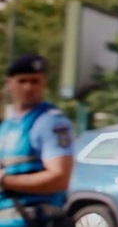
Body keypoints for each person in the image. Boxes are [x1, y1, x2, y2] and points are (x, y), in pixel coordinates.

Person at [0, 54, 75, 227]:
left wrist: (5, 181)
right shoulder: (8, 125)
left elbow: (60, 178)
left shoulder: (51, 123)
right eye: (22, 81)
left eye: (35, 81)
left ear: (44, 83)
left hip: (34, 221)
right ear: (9, 83)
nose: (28, 87)